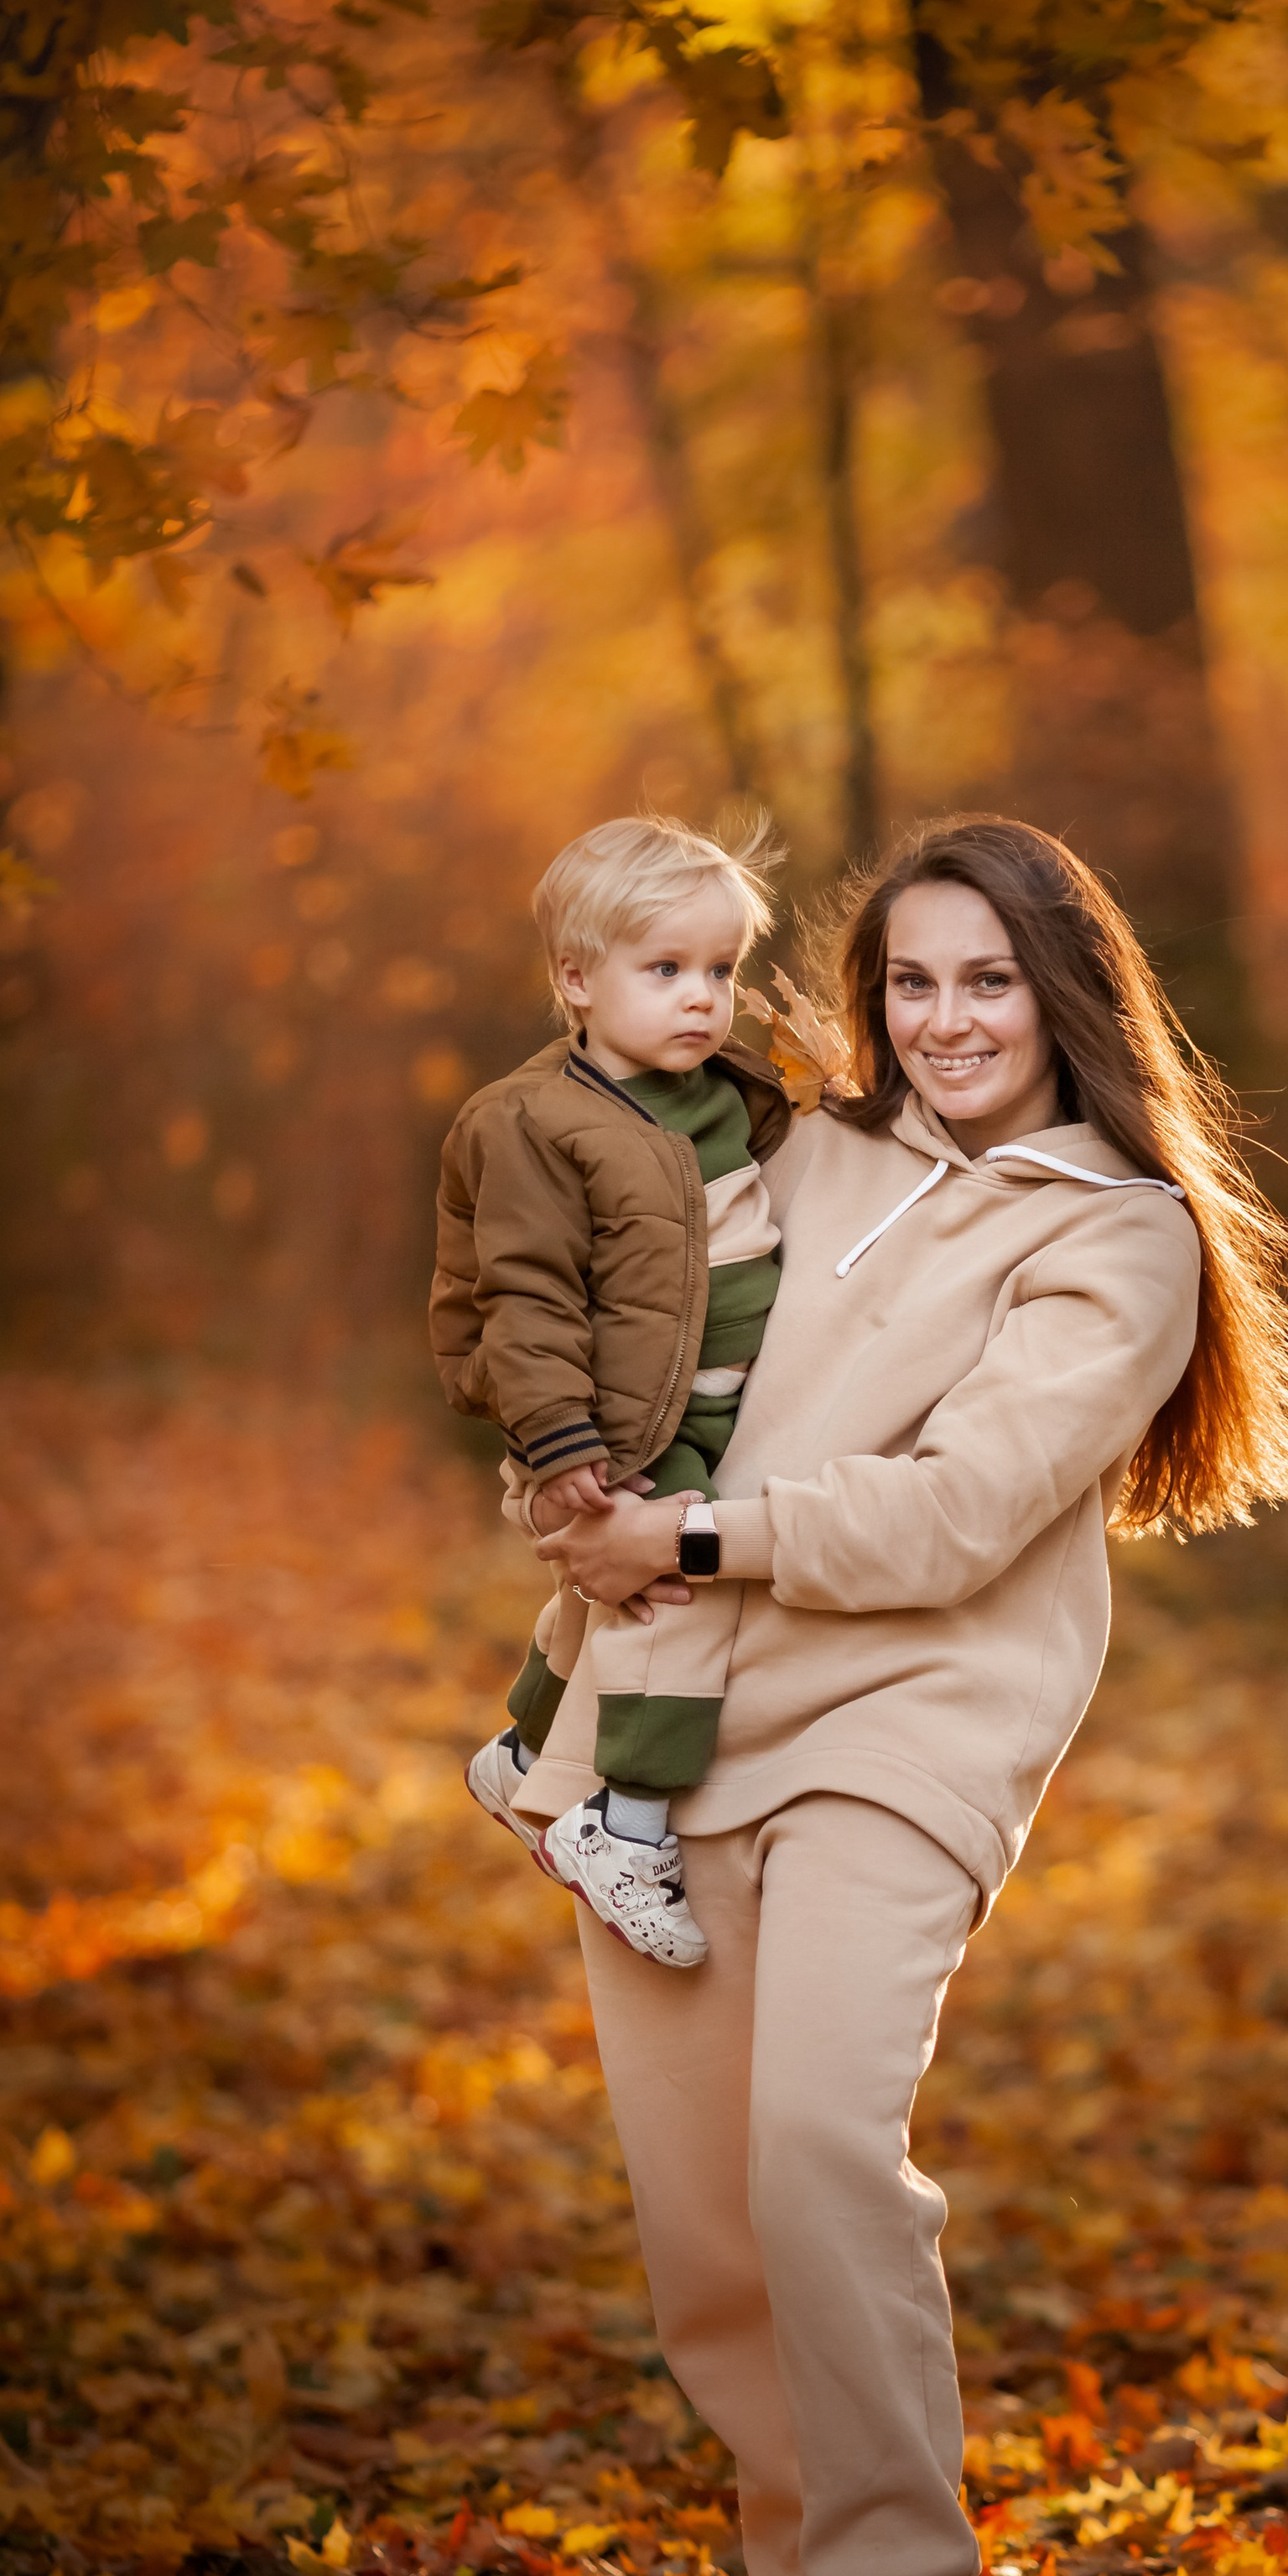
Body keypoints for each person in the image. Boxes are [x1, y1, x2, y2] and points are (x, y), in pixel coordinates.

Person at [513, 816, 1288, 2576]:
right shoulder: (803, 1154)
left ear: (1063, 995)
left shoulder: (1118, 1235)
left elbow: (961, 1511)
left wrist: (692, 1529)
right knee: (706, 2214)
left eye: (985, 981)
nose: (944, 1020)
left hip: (912, 1724)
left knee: (815, 2151)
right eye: (909, 981)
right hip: (680, 1715)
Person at [431, 813, 791, 1969]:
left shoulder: (722, 1086)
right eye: (668, 970)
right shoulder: (536, 1122)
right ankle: (623, 1824)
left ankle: (528, 1753)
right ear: (577, 981)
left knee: (599, 1596)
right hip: (621, 1424)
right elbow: (523, 1293)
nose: (704, 997)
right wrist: (557, 1436)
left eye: (722, 970)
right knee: (675, 1602)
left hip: (706, 1397)